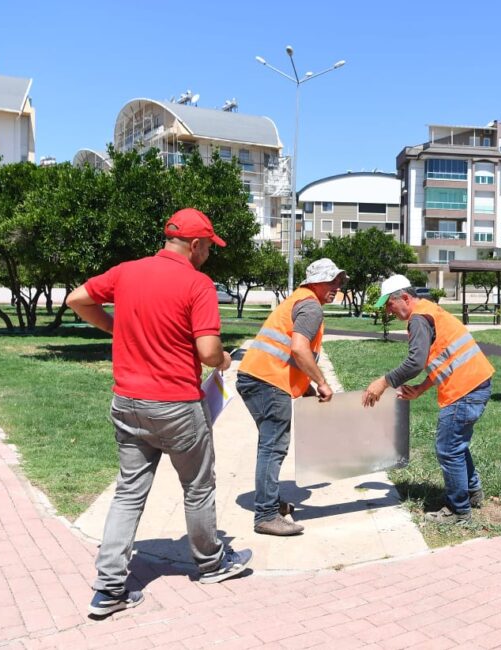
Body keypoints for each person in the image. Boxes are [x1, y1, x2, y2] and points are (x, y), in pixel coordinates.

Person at [66, 208, 252, 617]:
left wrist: (115, 327)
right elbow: (206, 353)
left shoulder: (126, 272)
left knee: (129, 491)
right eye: (209, 248)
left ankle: (109, 588)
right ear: (196, 244)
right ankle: (211, 563)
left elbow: (77, 299)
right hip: (177, 407)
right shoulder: (198, 284)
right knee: (198, 487)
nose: (209, 255)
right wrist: (221, 360)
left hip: (127, 402)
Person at [362, 274, 494, 524]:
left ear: (404, 297)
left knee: (447, 449)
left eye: (389, 304)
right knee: (457, 445)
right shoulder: (429, 310)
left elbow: (415, 362)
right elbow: (445, 358)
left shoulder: (418, 319)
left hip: (464, 390)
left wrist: (383, 382)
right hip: (477, 382)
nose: (389, 311)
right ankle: (472, 493)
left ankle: (458, 511)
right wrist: (423, 387)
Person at [236, 258, 346, 536]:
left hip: (257, 377)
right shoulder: (311, 306)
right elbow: (298, 349)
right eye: (331, 280)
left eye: (338, 281)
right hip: (269, 382)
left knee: (269, 444)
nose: (336, 286)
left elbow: (290, 354)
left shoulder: (299, 300)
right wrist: (321, 382)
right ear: (315, 282)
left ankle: (269, 503)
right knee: (273, 447)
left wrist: (307, 390)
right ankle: (266, 516)